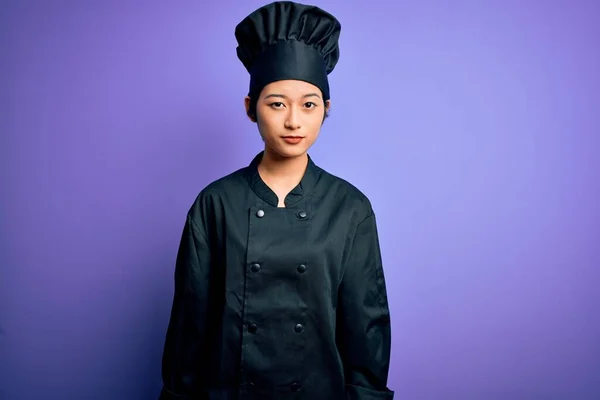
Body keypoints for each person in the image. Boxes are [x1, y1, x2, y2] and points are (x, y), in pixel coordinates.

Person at [159, 1, 394, 399]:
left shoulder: (350, 207)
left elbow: (365, 328)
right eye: (277, 103)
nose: (293, 121)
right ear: (251, 109)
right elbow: (190, 324)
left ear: (326, 111)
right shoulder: (215, 203)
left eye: (309, 104)